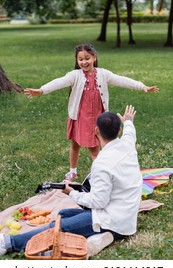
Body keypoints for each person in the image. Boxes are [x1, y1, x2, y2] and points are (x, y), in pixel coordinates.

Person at [0, 105, 143, 257]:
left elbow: (98, 201)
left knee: (58, 225)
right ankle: (95, 237)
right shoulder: (128, 145)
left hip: (111, 220)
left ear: (96, 131)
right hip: (125, 216)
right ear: (119, 131)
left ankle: (9, 243)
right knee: (63, 213)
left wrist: (72, 193)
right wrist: (128, 121)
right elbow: (130, 132)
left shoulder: (102, 164)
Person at [24, 43, 159, 181]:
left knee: (95, 149)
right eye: (80, 59)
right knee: (75, 144)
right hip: (79, 117)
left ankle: (101, 175)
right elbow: (60, 82)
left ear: (94, 57)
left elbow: (121, 80)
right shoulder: (75, 75)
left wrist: (142, 86)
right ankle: (73, 171)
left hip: (97, 119)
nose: (84, 62)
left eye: (87, 58)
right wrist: (42, 90)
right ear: (77, 61)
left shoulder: (103, 74)